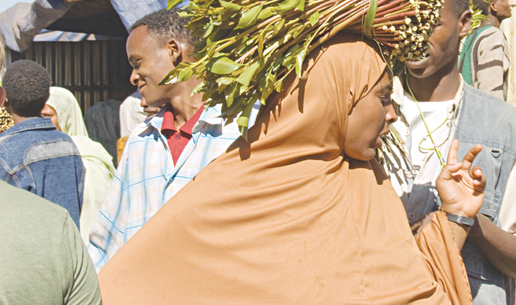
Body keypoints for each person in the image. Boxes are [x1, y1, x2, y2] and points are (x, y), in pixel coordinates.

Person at [98, 33, 486, 305]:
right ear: (337, 95)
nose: (392, 114)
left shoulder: (367, 186)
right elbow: (126, 285)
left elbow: (401, 288)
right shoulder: (233, 188)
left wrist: (455, 217)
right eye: (383, 97)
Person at [379, 0, 516, 305]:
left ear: (464, 24)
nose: (415, 35)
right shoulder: (371, 116)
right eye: (406, 22)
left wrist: (467, 220)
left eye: (430, 23)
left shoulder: (505, 128)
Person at [88, 8, 255, 270]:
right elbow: (105, 242)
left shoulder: (244, 130)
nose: (133, 77)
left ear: (173, 51)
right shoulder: (140, 141)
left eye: (137, 63)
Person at [0, 60, 84, 227]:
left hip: (26, 250)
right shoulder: (67, 144)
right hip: (66, 247)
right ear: (46, 98)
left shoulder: (5, 150)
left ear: (4, 98)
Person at [43, 86, 116, 245]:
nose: (41, 122)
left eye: (47, 115)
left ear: (66, 117)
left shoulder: (89, 158)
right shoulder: (37, 155)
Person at [458, 0, 512, 100]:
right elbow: (491, 89)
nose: (508, 2)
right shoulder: (492, 35)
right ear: (493, 7)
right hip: (482, 112)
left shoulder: (472, 35)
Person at [84, 75, 134, 164]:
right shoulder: (126, 109)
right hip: (119, 160)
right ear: (126, 92)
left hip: (95, 158)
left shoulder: (93, 109)